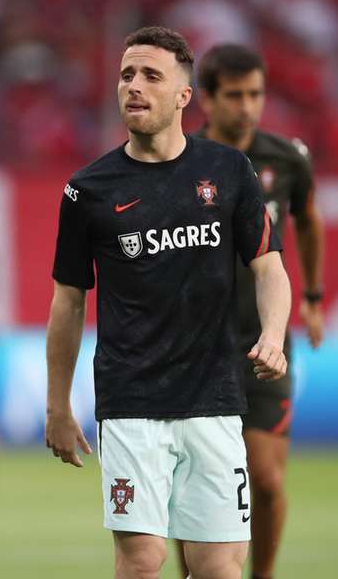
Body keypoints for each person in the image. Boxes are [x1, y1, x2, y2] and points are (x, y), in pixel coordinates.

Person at [45, 26, 291, 579]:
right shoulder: (88, 189)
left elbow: (270, 266)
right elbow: (68, 301)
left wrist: (273, 335)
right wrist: (58, 405)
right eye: (127, 74)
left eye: (151, 75)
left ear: (184, 95)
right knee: (143, 559)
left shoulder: (229, 173)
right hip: (131, 401)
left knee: (220, 567)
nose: (134, 85)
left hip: (215, 398)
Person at [170, 43, 325, 579]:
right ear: (206, 99)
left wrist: (311, 298)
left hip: (265, 340)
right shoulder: (178, 160)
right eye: (235, 95)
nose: (248, 106)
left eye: (255, 94)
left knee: (265, 478)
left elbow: (306, 222)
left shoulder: (287, 159)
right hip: (195, 346)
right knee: (189, 479)